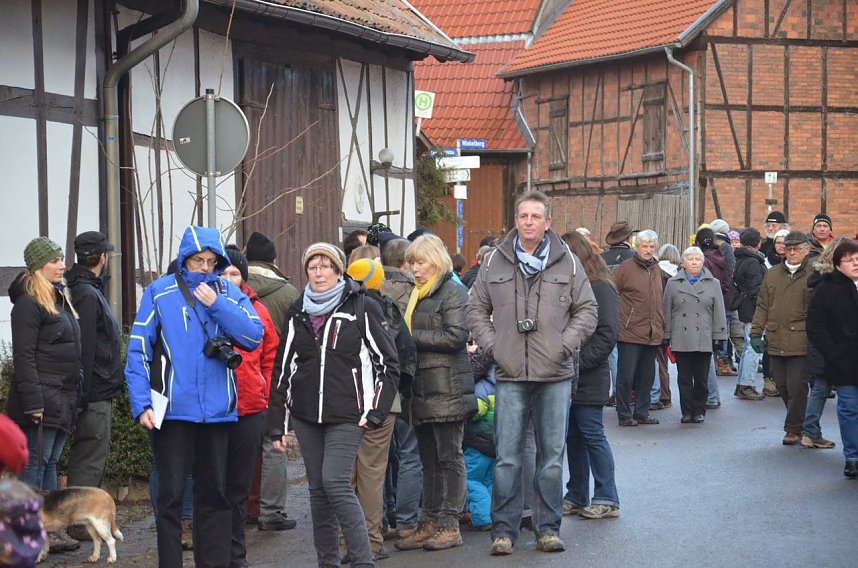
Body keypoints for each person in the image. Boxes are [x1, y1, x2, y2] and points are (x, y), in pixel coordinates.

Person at [467, 190, 598, 556]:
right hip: (509, 375)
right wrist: (496, 348)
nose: (528, 222)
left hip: (554, 374)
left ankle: (547, 529)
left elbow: (588, 310)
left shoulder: (568, 262)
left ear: (547, 223)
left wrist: (563, 345)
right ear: (516, 221)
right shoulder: (495, 262)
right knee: (508, 457)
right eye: (523, 216)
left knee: (551, 459)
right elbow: (475, 308)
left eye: (535, 217)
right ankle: (504, 531)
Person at [125, 226, 264, 568]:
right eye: (198, 260)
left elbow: (253, 336)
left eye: (211, 260)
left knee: (214, 497)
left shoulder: (228, 294)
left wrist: (217, 304)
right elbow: (138, 350)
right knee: (170, 498)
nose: (204, 266)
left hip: (217, 413)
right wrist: (141, 403)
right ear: (184, 258)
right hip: (172, 412)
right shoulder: (159, 292)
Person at [268, 242, 399, 568]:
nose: (319, 272)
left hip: (348, 415)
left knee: (335, 482)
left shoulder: (361, 307)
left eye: (326, 266)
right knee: (318, 491)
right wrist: (277, 424)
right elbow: (283, 369)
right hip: (306, 415)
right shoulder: (298, 311)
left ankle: (363, 560)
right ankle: (327, 562)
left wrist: (376, 411)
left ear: (338, 270)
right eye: (313, 266)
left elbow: (388, 363)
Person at [394, 234, 475, 552]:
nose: (414, 268)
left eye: (420, 262)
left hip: (447, 387)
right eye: (411, 262)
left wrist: (409, 336)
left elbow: (456, 337)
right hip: (422, 389)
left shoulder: (453, 290)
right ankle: (428, 522)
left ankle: (448, 524)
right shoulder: (418, 293)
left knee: (449, 458)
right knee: (428, 459)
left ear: (436, 261)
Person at [8, 237, 81, 493]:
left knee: (50, 463)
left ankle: (48, 527)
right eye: (55, 261)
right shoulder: (28, 304)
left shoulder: (59, 299)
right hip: (41, 401)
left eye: (62, 259)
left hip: (61, 398)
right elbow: (24, 357)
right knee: (34, 464)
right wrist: (34, 403)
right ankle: (27, 526)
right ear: (39, 267)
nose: (62, 265)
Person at [221, 245, 279, 567]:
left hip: (249, 407)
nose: (228, 278)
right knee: (214, 487)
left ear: (243, 277)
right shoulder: (205, 305)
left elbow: (271, 354)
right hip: (213, 411)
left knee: (239, 490)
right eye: (223, 272)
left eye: (234, 273)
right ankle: (214, 553)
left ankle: (236, 556)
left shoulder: (258, 309)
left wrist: (263, 388)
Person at [560, 231, 621, 519]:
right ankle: (577, 494)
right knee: (573, 436)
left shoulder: (601, 287)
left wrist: (577, 363)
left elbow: (607, 335)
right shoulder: (573, 285)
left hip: (589, 376)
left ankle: (607, 497)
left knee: (592, 434)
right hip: (568, 376)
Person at [244, 230, 299, 531]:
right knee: (273, 442)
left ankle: (247, 506)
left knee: (243, 444)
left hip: (242, 378)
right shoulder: (288, 292)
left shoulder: (232, 287)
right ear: (274, 259)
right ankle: (272, 511)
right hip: (277, 377)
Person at [65, 232, 123, 495]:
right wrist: (83, 396)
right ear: (102, 257)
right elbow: (86, 348)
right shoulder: (87, 294)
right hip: (94, 391)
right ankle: (79, 520)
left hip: (94, 387)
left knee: (90, 454)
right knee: (90, 456)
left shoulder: (82, 288)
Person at [377, 239, 423, 540]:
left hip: (376, 387)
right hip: (406, 384)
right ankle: (406, 521)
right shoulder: (414, 293)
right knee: (410, 454)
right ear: (407, 262)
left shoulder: (372, 292)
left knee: (376, 461)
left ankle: (377, 520)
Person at [750, 231, 813, 446]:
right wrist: (756, 332)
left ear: (806, 250)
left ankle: (793, 428)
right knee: (781, 385)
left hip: (801, 339)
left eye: (797, 249)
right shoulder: (773, 274)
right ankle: (801, 421)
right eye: (789, 249)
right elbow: (763, 305)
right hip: (776, 338)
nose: (792, 252)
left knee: (797, 386)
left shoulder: (813, 275)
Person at [806, 239, 858, 478]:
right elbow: (815, 327)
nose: (855, 263)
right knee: (849, 408)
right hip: (844, 361)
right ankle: (853, 458)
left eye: (857, 258)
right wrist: (834, 353)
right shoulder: (828, 288)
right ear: (837, 264)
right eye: (849, 260)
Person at [663, 246, 728, 423]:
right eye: (690, 259)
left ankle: (699, 410)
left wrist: (719, 336)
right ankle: (686, 411)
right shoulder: (673, 283)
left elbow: (719, 311)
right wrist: (666, 335)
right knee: (684, 378)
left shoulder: (713, 283)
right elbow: (667, 310)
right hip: (681, 337)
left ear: (702, 262)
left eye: (697, 259)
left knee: (701, 378)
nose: (694, 262)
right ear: (683, 262)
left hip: (704, 336)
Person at [613, 229, 665, 427]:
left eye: (652, 246)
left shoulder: (657, 269)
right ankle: (624, 414)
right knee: (626, 377)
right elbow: (611, 292)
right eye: (645, 246)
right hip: (629, 332)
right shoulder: (625, 268)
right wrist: (620, 319)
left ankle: (642, 412)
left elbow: (658, 300)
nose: (648, 250)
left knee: (647, 376)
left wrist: (661, 326)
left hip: (652, 332)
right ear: (637, 247)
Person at [800, 238, 848, 450]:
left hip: (824, 342)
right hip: (829, 343)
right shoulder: (830, 283)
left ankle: (810, 431)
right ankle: (810, 432)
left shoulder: (818, 279)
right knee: (821, 387)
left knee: (820, 387)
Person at [733, 228, 767, 401]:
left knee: (748, 346)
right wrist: (763, 309)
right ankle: (747, 384)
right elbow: (756, 289)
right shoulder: (753, 261)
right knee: (754, 347)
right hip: (754, 309)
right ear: (757, 243)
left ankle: (742, 384)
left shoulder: (741, 259)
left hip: (746, 307)